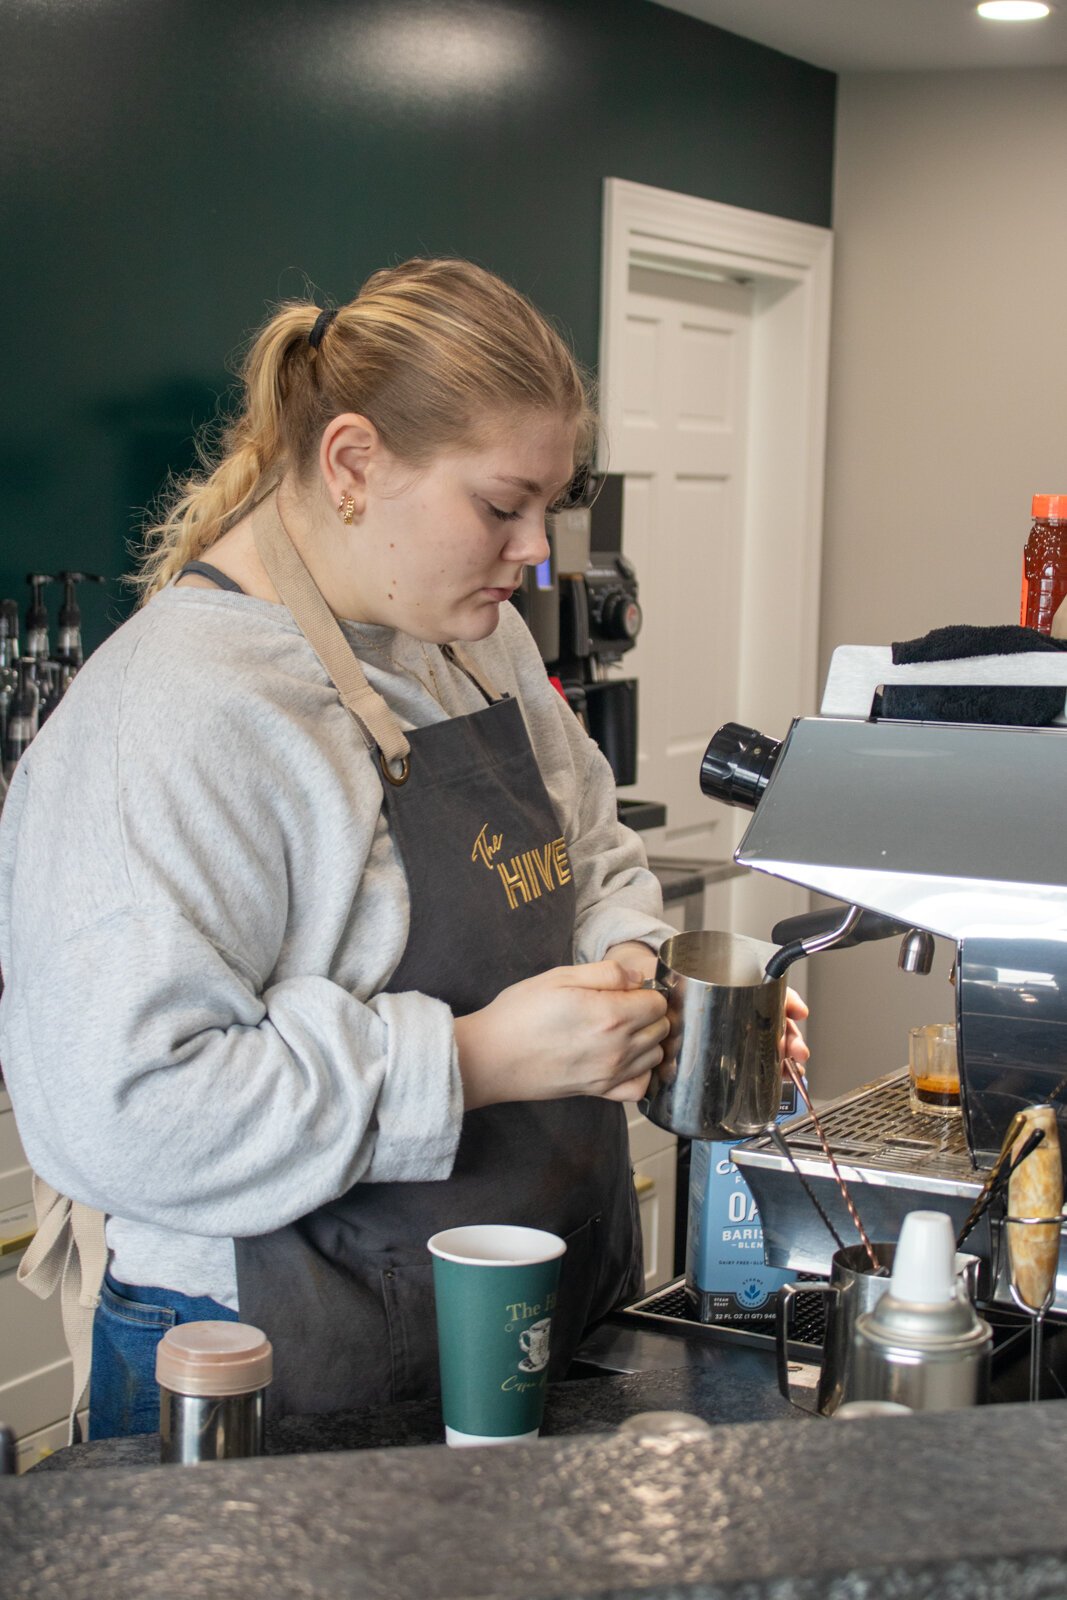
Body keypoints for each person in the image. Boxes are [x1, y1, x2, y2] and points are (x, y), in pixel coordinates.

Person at [0, 258, 807, 1438]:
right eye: (499, 505)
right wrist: (477, 1057)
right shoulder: (172, 719)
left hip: (536, 1315)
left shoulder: (476, 644)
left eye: (551, 506)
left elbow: (594, 854)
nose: (534, 553)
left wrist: (638, 978)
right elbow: (126, 1113)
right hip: (279, 1367)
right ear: (351, 465)